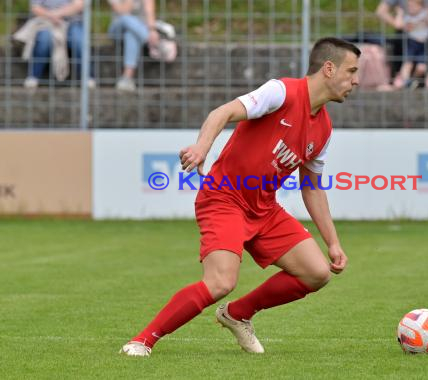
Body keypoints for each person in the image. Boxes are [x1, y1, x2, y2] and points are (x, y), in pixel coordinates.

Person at [119, 37, 359, 357]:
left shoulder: (324, 129)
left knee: (316, 273)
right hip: (224, 198)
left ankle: (238, 314)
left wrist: (332, 241)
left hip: (265, 209)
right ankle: (142, 341)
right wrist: (202, 147)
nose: (356, 80)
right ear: (329, 68)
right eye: (352, 71)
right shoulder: (282, 91)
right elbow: (224, 112)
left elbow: (312, 185)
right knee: (220, 282)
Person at [376, 0, 428, 89]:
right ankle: (400, 74)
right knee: (400, 38)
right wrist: (399, 23)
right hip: (407, 33)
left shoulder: (426, 12)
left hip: (426, 33)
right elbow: (381, 11)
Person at [21, 0, 95, 89]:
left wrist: (57, 14)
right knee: (44, 39)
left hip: (74, 22)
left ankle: (86, 76)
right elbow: (35, 7)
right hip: (46, 21)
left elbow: (79, 4)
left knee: (79, 40)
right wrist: (51, 17)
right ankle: (33, 76)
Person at [107, 0, 160, 92]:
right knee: (126, 18)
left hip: (136, 31)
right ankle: (156, 44)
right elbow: (123, 11)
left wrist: (152, 30)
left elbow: (150, 11)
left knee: (131, 34)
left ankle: (127, 78)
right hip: (117, 29)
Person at [393, 0, 428, 89]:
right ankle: (405, 80)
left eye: (413, 7)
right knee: (407, 64)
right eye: (409, 7)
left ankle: (412, 80)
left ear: (420, 6)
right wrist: (400, 13)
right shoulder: (407, 18)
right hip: (412, 44)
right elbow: (398, 25)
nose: (410, 9)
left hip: (423, 45)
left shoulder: (424, 14)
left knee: (422, 68)